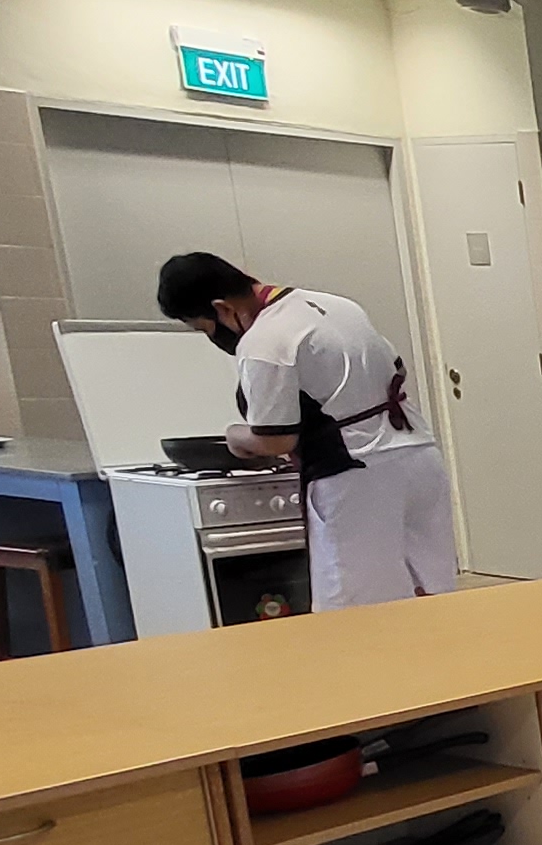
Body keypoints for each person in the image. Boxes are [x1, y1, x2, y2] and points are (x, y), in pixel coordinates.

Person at [152, 252, 459, 608]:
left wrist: (235, 435)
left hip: (356, 477)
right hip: (419, 456)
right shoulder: (339, 305)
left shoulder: (264, 340)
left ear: (221, 308)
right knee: (431, 590)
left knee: (357, 609)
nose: (213, 336)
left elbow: (276, 439)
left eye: (203, 327)